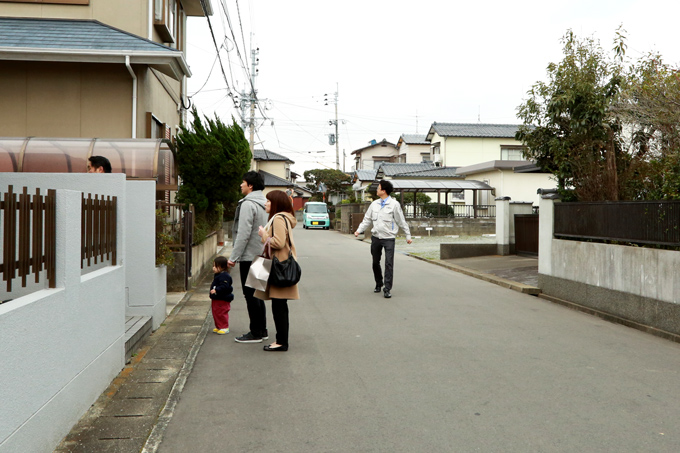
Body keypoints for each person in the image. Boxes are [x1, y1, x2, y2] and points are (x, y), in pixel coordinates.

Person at [255, 190, 299, 352]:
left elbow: (278, 243)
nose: (265, 204)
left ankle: (281, 342)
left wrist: (263, 234)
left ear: (276, 203)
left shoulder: (279, 219)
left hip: (278, 266)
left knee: (279, 306)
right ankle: (281, 340)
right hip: (279, 265)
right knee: (279, 305)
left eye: (268, 201)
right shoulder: (282, 217)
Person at [229, 171, 270, 343]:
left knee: (250, 295)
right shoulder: (266, 203)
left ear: (250, 185)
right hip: (263, 253)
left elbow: (243, 233)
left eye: (243, 182)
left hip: (249, 256)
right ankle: (262, 330)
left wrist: (233, 256)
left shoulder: (248, 204)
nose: (241, 185)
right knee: (257, 294)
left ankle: (255, 332)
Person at [354, 180, 412, 298]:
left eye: (378, 188)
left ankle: (387, 288)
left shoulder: (394, 205)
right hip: (376, 237)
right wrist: (359, 230)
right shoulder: (374, 204)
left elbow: (401, 221)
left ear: (384, 191)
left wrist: (408, 235)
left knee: (389, 263)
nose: (377, 190)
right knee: (375, 262)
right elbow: (367, 219)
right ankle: (378, 282)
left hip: (389, 238)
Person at [209, 256, 234, 335]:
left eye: (215, 266)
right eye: (213, 266)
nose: (213, 268)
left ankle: (224, 327)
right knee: (216, 312)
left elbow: (224, 286)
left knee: (221, 312)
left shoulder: (224, 276)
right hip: (217, 297)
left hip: (222, 298)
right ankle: (219, 326)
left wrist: (217, 290)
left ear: (222, 267)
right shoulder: (219, 274)